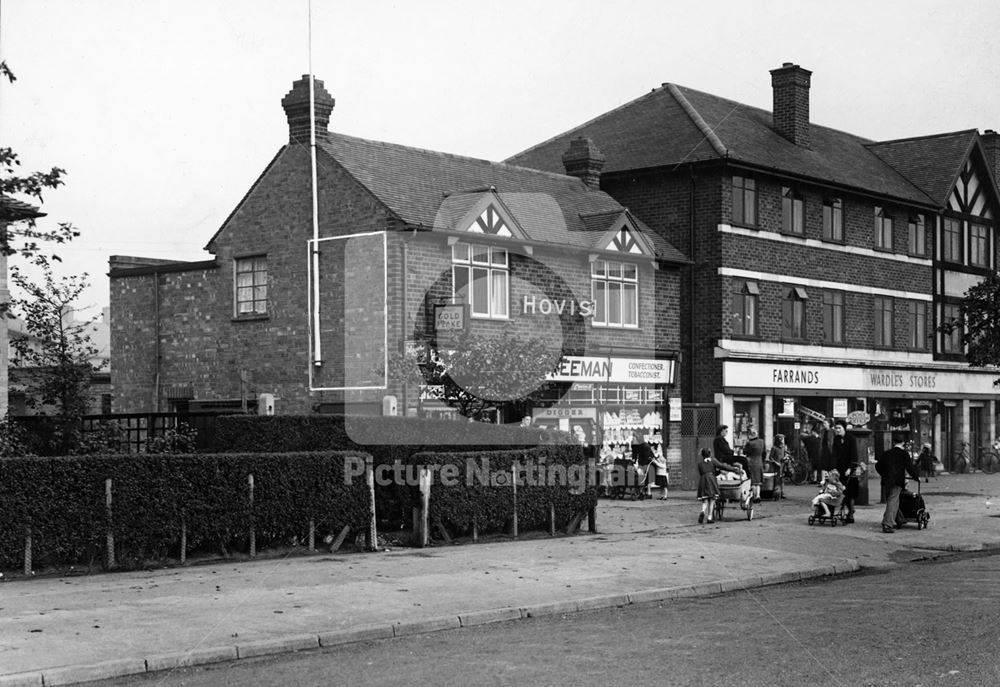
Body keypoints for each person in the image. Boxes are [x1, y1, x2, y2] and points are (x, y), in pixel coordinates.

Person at [878, 433, 920, 533]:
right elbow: (910, 468)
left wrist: (884, 474)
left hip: (886, 481)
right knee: (893, 501)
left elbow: (878, 466)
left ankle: (899, 518)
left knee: (892, 500)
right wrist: (916, 477)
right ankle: (887, 524)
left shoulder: (886, 453)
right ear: (903, 443)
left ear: (893, 442)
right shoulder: (904, 454)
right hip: (897, 481)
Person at [696, 447, 738, 524]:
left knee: (705, 499)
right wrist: (733, 469)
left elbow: (701, 473)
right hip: (711, 479)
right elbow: (723, 466)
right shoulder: (713, 461)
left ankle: (702, 511)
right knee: (712, 499)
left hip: (703, 480)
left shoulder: (700, 464)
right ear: (710, 454)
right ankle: (709, 517)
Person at [830, 421, 857, 523]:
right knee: (841, 491)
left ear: (844, 428)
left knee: (850, 492)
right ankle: (849, 510)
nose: (837, 430)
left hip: (849, 469)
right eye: (836, 428)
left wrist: (850, 468)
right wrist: (834, 467)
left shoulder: (851, 439)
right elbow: (834, 454)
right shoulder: (836, 439)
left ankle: (850, 514)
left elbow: (854, 454)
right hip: (839, 469)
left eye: (839, 428)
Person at [743, 429, 766, 503]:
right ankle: (758, 495)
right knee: (758, 481)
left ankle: (753, 495)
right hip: (759, 461)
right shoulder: (762, 442)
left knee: (752, 480)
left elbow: (745, 452)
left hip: (751, 462)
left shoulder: (749, 443)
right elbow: (764, 453)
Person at [631, 430, 655, 497]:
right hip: (641, 462)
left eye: (634, 437)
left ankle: (649, 492)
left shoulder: (645, 446)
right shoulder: (634, 445)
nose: (632, 439)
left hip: (648, 462)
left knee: (647, 475)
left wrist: (640, 467)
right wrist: (633, 461)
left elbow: (647, 457)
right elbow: (634, 454)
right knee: (639, 474)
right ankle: (640, 489)